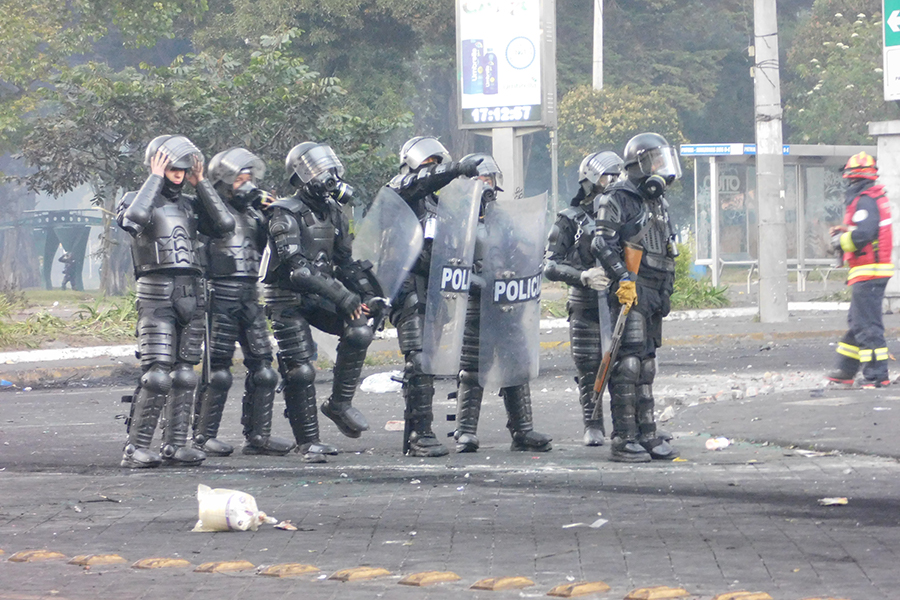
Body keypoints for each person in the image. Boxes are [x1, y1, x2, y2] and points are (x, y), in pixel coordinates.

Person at [116, 135, 235, 468]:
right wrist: (154, 177)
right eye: (172, 167)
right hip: (157, 291)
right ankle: (135, 447)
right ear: (158, 164)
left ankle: (175, 445)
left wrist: (203, 184)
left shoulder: (190, 204)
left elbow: (225, 225)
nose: (179, 173)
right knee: (158, 375)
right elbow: (132, 221)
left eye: (183, 168)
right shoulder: (135, 198)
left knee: (186, 375)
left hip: (191, 291)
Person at [261, 142, 378, 462]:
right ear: (301, 176)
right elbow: (298, 270)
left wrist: (369, 295)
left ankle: (339, 404)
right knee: (300, 370)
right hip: (287, 297)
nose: (329, 178)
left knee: (360, 329)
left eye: (330, 169)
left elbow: (345, 261)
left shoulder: (334, 213)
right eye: (319, 171)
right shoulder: (283, 212)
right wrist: (343, 296)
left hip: (320, 294)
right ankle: (307, 441)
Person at [192, 148, 295, 457]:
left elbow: (268, 247)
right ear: (223, 181)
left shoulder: (252, 213)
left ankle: (258, 435)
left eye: (249, 179)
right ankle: (203, 435)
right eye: (240, 179)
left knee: (264, 369)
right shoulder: (210, 212)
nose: (247, 185)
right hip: (220, 294)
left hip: (250, 293)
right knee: (219, 371)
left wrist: (270, 214)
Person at [387, 136, 482, 457]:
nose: (435, 171)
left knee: (428, 361)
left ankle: (421, 432)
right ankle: (419, 434)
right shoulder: (401, 188)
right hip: (407, 289)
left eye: (437, 165)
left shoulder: (437, 205)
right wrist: (454, 169)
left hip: (434, 289)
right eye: (429, 165)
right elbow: (419, 182)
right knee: (419, 361)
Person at [590, 133, 680, 462]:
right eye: (655, 160)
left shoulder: (658, 201)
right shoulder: (616, 197)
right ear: (639, 163)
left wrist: (667, 290)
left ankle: (647, 431)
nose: (661, 167)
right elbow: (602, 243)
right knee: (628, 364)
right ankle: (623, 436)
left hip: (655, 288)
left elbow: (670, 250)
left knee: (648, 365)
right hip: (632, 284)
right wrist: (623, 278)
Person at [452, 154, 552, 453]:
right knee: (472, 369)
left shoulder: (504, 219)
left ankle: (522, 430)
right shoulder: (458, 221)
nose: (488, 184)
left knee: (516, 365)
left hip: (506, 302)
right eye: (483, 179)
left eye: (491, 179)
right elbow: (449, 266)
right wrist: (478, 282)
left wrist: (523, 267)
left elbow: (520, 253)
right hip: (474, 302)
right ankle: (465, 431)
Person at [544, 151, 624, 446]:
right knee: (589, 366)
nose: (613, 181)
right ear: (591, 180)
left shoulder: (624, 213)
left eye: (618, 175)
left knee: (626, 367)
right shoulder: (571, 220)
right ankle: (592, 423)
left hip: (619, 300)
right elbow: (550, 265)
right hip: (585, 303)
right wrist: (582, 276)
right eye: (607, 176)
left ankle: (627, 427)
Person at [827, 151, 893, 388]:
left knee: (867, 325)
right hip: (870, 270)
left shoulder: (865, 199)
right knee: (857, 320)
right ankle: (845, 369)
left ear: (853, 178)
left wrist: (841, 242)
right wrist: (846, 232)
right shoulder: (872, 197)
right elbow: (864, 229)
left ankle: (877, 375)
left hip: (869, 271)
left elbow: (865, 233)